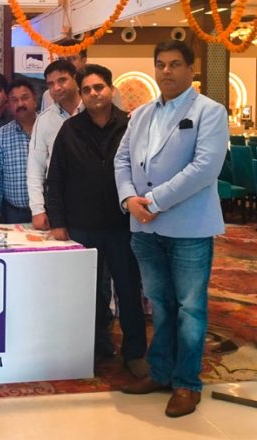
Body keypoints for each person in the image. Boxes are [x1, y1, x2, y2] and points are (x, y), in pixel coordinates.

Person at [116, 41, 228, 417]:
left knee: (190, 309)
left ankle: (186, 383)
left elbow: (205, 168)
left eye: (175, 64)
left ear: (191, 69)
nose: (167, 71)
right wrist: (129, 199)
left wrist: (154, 202)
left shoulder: (209, 111)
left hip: (188, 227)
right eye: (161, 64)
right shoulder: (141, 114)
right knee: (160, 306)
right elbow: (121, 160)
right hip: (144, 228)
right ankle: (160, 372)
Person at [46, 64, 147, 376]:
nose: (93, 93)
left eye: (99, 87)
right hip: (82, 226)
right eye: (87, 89)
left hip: (122, 225)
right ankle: (90, 348)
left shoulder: (130, 126)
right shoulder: (70, 130)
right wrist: (58, 223)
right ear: (82, 94)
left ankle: (135, 353)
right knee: (86, 293)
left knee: (129, 291)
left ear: (111, 90)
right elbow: (55, 179)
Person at [27, 60, 84, 231]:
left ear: (75, 79)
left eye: (62, 80)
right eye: (51, 84)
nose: (56, 88)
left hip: (95, 201)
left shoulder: (93, 111)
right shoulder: (44, 120)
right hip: (59, 202)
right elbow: (35, 166)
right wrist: (37, 209)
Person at [0, 77, 38, 224]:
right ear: (9, 105)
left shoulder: (49, 127)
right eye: (14, 100)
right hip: (14, 212)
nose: (20, 104)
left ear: (35, 100)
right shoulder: (0, 135)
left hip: (48, 211)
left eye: (25, 98)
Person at [40, 38, 124, 111]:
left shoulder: (105, 91)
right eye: (61, 59)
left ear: (83, 61)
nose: (65, 63)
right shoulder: (48, 95)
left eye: (71, 59)